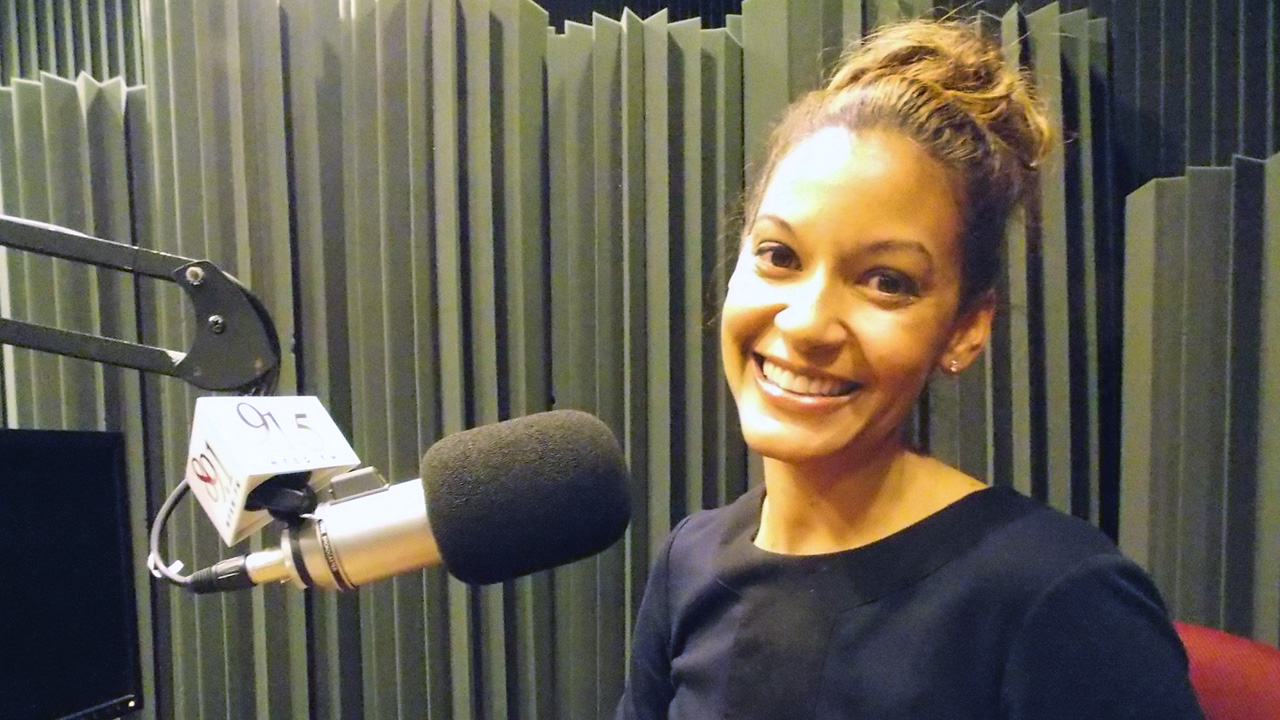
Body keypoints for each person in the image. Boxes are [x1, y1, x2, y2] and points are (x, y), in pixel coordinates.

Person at [615, 18, 1203, 720]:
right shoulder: (689, 562)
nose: (805, 323)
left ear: (965, 329)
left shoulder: (1060, 601)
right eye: (779, 255)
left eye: (886, 282)